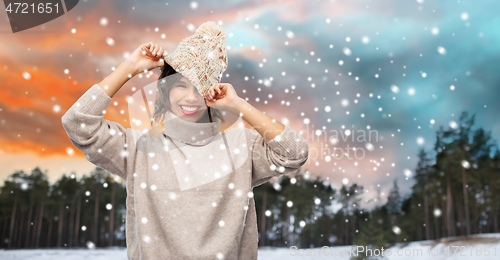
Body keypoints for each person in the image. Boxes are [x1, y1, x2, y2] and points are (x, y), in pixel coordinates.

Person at [61, 21, 309, 259]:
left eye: (201, 86)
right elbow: (78, 123)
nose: (191, 97)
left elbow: (294, 153)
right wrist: (129, 67)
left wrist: (237, 104)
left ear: (213, 91)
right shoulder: (137, 147)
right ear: (165, 90)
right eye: (181, 85)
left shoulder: (240, 145)